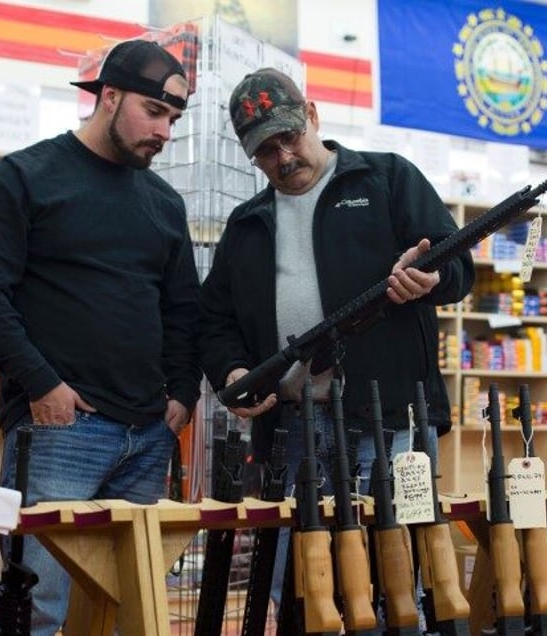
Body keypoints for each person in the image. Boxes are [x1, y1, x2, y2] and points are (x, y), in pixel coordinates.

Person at [197, 68, 475, 632]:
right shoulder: (247, 224)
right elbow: (212, 319)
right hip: (292, 431)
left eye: (289, 138)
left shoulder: (387, 179)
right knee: (298, 589)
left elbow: (458, 264)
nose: (283, 157)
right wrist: (234, 371)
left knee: (399, 584)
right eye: (265, 151)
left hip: (391, 422)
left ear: (313, 116)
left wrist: (430, 277)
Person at [0, 39, 202, 635]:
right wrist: (43, 385)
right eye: (153, 112)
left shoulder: (164, 203)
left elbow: (183, 312)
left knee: (127, 612)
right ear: (108, 96)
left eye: (173, 118)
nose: (164, 132)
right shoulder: (24, 177)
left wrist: (181, 397)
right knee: (40, 608)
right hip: (59, 428)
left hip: (148, 436)